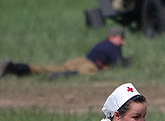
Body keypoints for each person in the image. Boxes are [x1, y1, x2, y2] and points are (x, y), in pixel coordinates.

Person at [0, 26, 131, 80]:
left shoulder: (103, 43)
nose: (122, 42)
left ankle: (15, 67)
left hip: (81, 59)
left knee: (49, 67)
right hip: (90, 65)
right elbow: (118, 63)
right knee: (81, 73)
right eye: (121, 38)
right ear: (114, 37)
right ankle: (57, 76)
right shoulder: (114, 47)